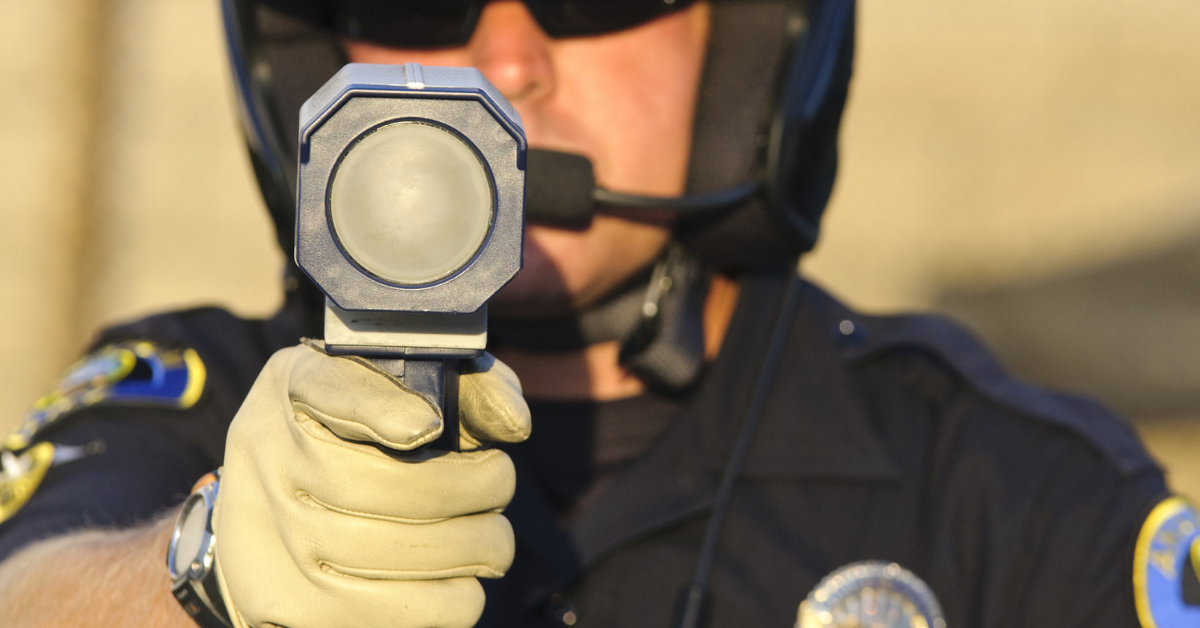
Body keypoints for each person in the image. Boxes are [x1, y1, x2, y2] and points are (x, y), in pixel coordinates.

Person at [0, 1, 1197, 627]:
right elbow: (34, 590)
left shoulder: (1001, 490)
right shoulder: (195, 397)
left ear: (743, 35)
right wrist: (208, 568)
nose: (506, 62)